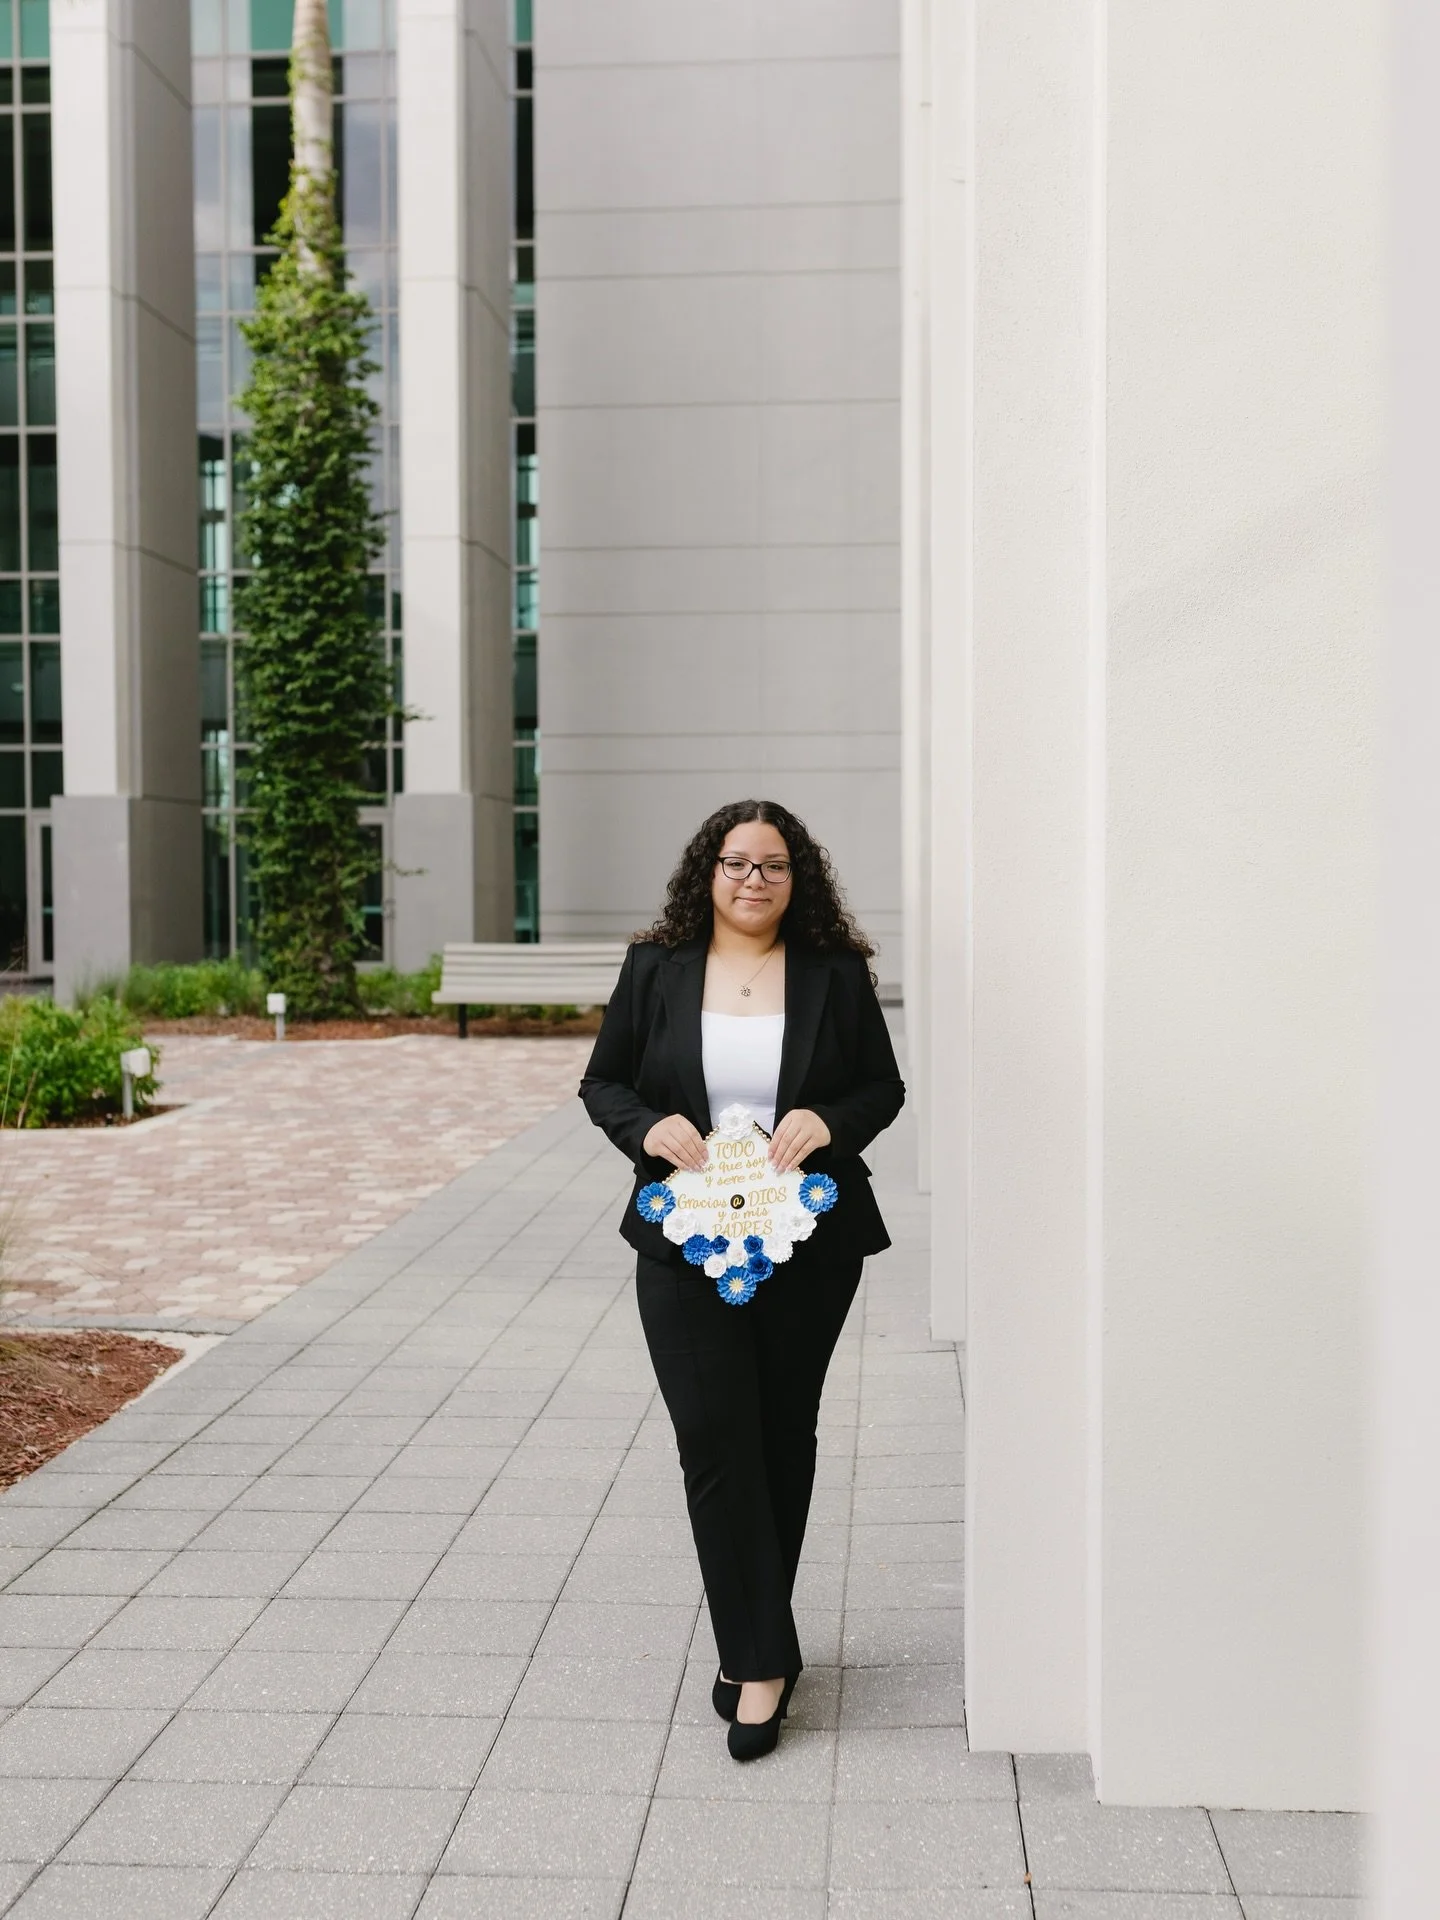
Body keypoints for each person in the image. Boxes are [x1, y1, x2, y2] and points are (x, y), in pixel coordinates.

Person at [579, 799, 906, 1759]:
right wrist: (647, 1130)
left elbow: (880, 1087)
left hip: (808, 1240)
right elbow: (605, 1082)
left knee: (777, 1435)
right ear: (707, 873)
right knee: (713, 1439)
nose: (752, 879)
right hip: (682, 1238)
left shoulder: (836, 975)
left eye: (773, 864)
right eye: (735, 862)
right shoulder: (657, 969)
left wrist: (829, 1124)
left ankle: (752, 1644)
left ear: (797, 878)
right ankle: (762, 1655)